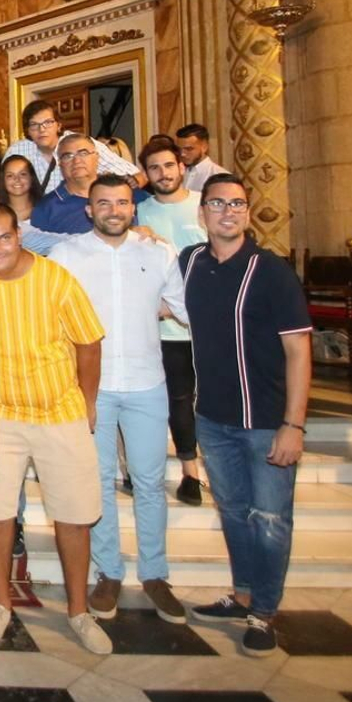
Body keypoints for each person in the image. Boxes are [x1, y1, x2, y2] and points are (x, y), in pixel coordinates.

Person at [0, 203, 110, 654]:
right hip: (0, 418)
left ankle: (79, 610)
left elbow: (88, 342)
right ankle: (1, 604)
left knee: (74, 516)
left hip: (59, 411)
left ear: (18, 235)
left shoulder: (55, 278)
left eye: (4, 237)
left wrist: (88, 401)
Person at [180, 174, 312, 656]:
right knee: (234, 512)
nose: (228, 212)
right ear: (203, 213)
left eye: (237, 204)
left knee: (272, 518)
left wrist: (293, 425)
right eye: (218, 203)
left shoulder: (271, 270)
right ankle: (242, 595)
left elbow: (298, 349)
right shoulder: (191, 262)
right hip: (213, 417)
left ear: (248, 213)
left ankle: (264, 611)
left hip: (266, 420)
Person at [52, 176, 189, 625]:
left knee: (149, 482)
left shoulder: (158, 252)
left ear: (134, 208)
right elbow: (51, 317)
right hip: (92, 386)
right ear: (89, 209)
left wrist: (168, 307)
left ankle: (155, 574)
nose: (114, 210)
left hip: (147, 381)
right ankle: (108, 571)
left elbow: (186, 309)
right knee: (101, 481)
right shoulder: (67, 255)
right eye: (104, 203)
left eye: (123, 203)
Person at [137, 136, 208, 504]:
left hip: (211, 323)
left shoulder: (204, 205)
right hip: (166, 325)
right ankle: (190, 473)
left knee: (213, 396)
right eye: (154, 168)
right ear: (146, 174)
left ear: (182, 167)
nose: (162, 173)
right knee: (178, 398)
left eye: (168, 165)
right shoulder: (142, 213)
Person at [3, 100, 139, 194]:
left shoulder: (80, 144)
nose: (42, 129)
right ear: (27, 130)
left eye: (48, 122)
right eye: (34, 125)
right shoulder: (17, 151)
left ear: (59, 125)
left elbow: (134, 175)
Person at [30, 133, 149, 236]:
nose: (77, 161)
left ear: (97, 157)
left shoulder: (127, 194)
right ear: (60, 164)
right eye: (68, 156)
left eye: (83, 153)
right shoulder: (45, 209)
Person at [176, 123, 223, 193]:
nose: (182, 154)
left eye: (189, 149)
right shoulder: (176, 173)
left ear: (204, 147)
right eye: (179, 149)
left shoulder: (219, 177)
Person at [0, 153, 43, 225]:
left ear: (31, 178)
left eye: (22, 174)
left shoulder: (46, 209)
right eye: (10, 175)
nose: (17, 179)